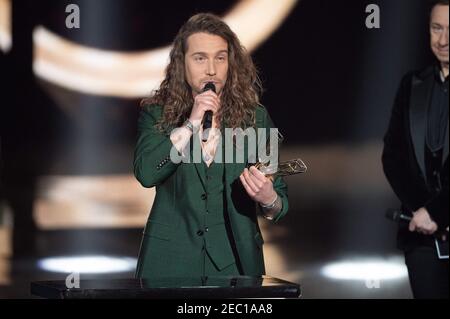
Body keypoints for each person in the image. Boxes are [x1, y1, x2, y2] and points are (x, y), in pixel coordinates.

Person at [133, 13, 289, 278]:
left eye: (220, 57)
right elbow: (147, 173)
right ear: (182, 63)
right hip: (170, 265)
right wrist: (192, 123)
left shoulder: (258, 118)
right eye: (200, 58)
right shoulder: (156, 114)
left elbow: (280, 201)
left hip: (235, 264)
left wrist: (268, 199)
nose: (211, 70)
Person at [382, 0, 448, 299]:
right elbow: (393, 156)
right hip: (421, 239)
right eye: (436, 28)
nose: (443, 40)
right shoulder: (412, 84)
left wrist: (436, 211)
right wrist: (422, 210)